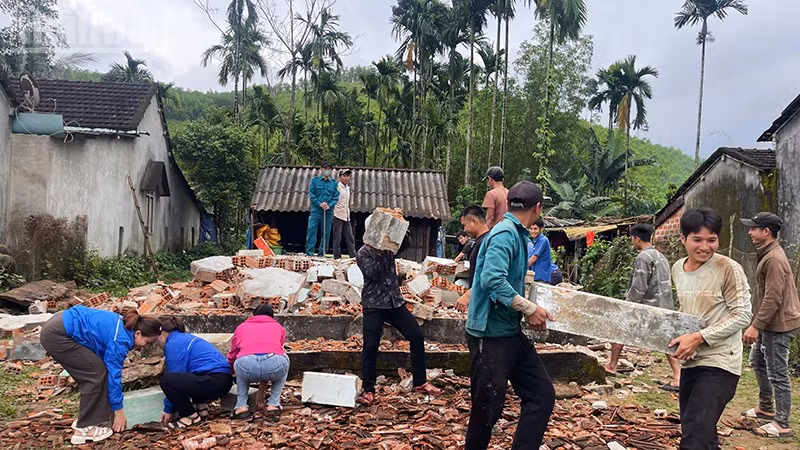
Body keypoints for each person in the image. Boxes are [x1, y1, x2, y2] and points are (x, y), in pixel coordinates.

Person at [465, 181, 555, 450]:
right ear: (537, 208)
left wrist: (526, 306)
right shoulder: (504, 234)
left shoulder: (518, 234)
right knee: (486, 409)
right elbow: (492, 279)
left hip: (510, 332)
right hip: (490, 335)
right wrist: (529, 309)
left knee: (541, 394)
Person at [669, 208, 752, 450]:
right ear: (683, 238)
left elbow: (743, 314)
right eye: (698, 239)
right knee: (697, 431)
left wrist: (699, 337)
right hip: (691, 362)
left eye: (712, 240)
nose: (705, 247)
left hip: (721, 364)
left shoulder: (728, 268)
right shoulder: (677, 268)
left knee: (695, 437)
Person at [39, 306, 162, 445]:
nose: (145, 347)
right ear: (138, 333)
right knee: (95, 375)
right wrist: (119, 412)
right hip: (57, 334)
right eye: (147, 342)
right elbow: (113, 376)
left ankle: (89, 419)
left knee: (97, 370)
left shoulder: (125, 325)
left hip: (60, 322)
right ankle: (84, 429)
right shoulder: (120, 340)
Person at [356, 209, 441, 405]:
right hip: (374, 304)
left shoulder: (390, 249)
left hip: (394, 301)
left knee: (416, 335)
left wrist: (399, 223)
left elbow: (407, 242)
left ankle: (420, 381)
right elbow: (373, 274)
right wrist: (379, 250)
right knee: (370, 347)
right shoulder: (363, 253)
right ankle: (368, 389)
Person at [739, 212, 800, 438]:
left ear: (766, 232)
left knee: (778, 373)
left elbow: (773, 297)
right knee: (757, 362)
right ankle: (766, 408)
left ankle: (782, 423)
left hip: (779, 325)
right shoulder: (767, 254)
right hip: (770, 323)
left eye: (754, 228)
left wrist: (756, 325)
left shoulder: (773, 258)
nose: (750, 232)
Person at [604, 224, 681, 392]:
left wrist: (629, 304)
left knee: (619, 329)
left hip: (647, 306)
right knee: (667, 341)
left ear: (636, 239)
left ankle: (612, 365)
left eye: (632, 239)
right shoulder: (661, 257)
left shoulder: (643, 258)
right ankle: (678, 376)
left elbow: (640, 285)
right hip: (665, 305)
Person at [157, 316, 233, 429]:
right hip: (224, 379)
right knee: (191, 374)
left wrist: (168, 410)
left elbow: (174, 375)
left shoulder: (173, 344)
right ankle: (202, 409)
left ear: (162, 334)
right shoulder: (186, 338)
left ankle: (191, 416)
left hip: (215, 381)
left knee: (166, 380)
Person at [227, 304, 290, 422]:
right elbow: (274, 351)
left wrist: (231, 370)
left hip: (246, 366)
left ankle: (241, 406)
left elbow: (233, 353)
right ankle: (273, 405)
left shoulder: (241, 327)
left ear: (253, 315)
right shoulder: (279, 327)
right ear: (272, 316)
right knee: (284, 357)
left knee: (240, 361)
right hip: (274, 365)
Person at [455, 205, 490, 313]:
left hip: (483, 303)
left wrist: (468, 295)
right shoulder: (477, 242)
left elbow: (488, 275)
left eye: (464, 225)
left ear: (474, 221)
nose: (464, 229)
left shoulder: (487, 242)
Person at [305, 162, 339, 256]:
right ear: (321, 169)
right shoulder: (314, 181)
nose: (327, 170)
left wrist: (329, 205)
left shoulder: (334, 183)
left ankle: (322, 254)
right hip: (316, 210)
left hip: (328, 211)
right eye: (325, 168)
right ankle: (310, 253)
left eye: (329, 169)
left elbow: (336, 197)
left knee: (326, 233)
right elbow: (311, 195)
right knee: (311, 230)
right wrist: (320, 204)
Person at [331, 169, 357, 260]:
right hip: (337, 214)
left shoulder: (348, 188)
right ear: (340, 177)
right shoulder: (337, 187)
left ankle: (353, 256)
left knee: (350, 237)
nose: (346, 178)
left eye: (347, 176)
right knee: (337, 237)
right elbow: (333, 199)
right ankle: (337, 256)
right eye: (344, 176)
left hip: (346, 215)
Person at [526, 218, 552, 283]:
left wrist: (522, 268)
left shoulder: (542, 240)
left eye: (535, 228)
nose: (532, 231)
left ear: (541, 229)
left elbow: (534, 258)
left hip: (541, 277)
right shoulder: (535, 241)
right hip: (536, 276)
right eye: (531, 229)